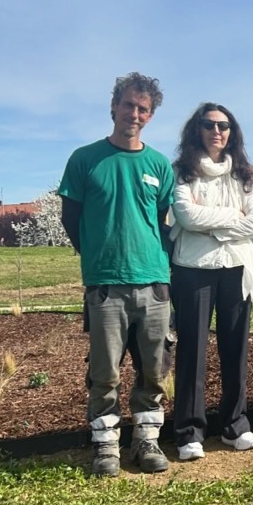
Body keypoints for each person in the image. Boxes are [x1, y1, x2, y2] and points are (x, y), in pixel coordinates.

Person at [59, 72, 175, 476]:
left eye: (144, 109)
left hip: (154, 283)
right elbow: (70, 218)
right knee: (104, 372)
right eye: (129, 104)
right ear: (114, 106)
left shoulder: (159, 165)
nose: (135, 113)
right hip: (105, 285)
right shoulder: (85, 159)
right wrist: (95, 254)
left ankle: (146, 442)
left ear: (151, 115)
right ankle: (106, 446)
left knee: (153, 370)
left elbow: (162, 222)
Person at [169, 103, 253, 461]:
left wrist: (212, 223)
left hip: (238, 268)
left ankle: (234, 424)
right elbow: (186, 215)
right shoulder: (183, 171)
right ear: (197, 129)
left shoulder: (243, 174)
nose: (216, 131)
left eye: (224, 125)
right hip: (194, 268)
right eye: (209, 125)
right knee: (192, 349)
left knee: (236, 349)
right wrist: (231, 216)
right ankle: (189, 432)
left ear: (232, 132)